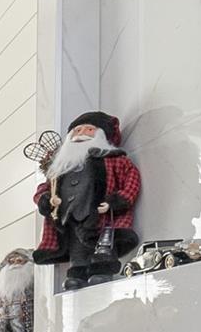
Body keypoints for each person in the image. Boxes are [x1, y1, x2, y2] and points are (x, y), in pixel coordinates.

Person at [32, 111, 141, 290]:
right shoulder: (60, 169)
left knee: (104, 245)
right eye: (77, 130)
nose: (81, 133)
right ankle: (77, 273)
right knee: (77, 249)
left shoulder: (114, 160)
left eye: (89, 129)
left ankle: (102, 271)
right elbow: (43, 189)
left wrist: (116, 201)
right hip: (69, 219)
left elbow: (131, 179)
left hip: (100, 217)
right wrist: (46, 200)